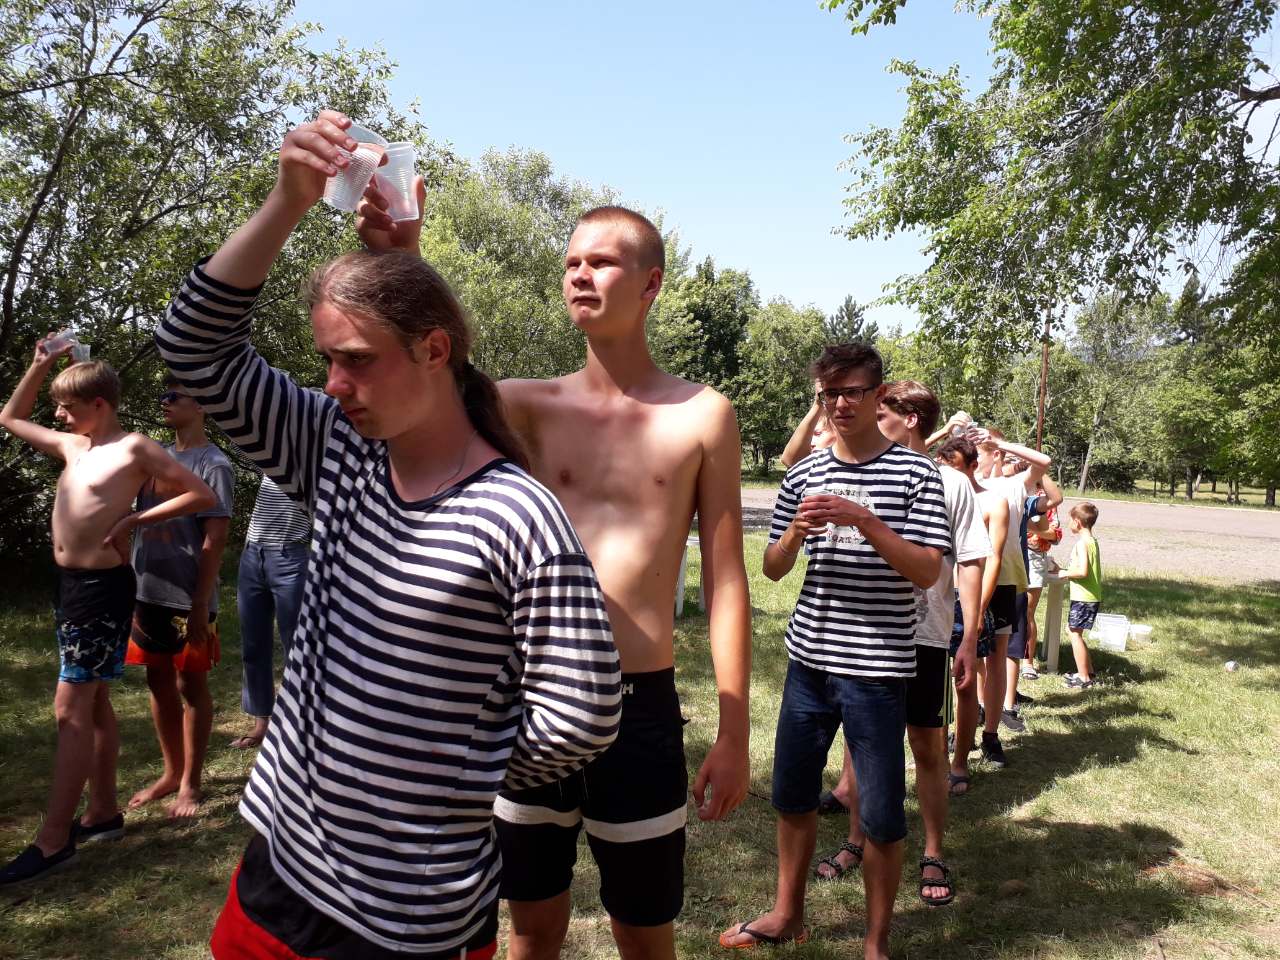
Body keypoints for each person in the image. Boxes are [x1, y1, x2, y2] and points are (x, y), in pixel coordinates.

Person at [160, 111, 622, 960]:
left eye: (357, 360)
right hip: (276, 870)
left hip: (407, 916)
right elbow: (194, 348)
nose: (334, 385)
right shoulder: (335, 447)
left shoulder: (517, 516)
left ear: (434, 351)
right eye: (327, 361)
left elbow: (582, 716)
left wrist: (446, 771)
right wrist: (287, 202)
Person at [359, 166, 752, 960]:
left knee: (643, 932)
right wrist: (404, 257)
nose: (580, 274)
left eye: (602, 262)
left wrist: (735, 727)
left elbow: (725, 579)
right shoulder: (522, 404)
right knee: (530, 925)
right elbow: (427, 371)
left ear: (651, 283)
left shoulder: (703, 415)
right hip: (527, 696)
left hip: (638, 704)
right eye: (572, 262)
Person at [720, 345, 948, 958]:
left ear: (879, 396)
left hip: (878, 668)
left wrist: (864, 519)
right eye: (829, 394)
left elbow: (927, 570)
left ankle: (875, 942)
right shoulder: (803, 474)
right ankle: (786, 914)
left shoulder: (916, 474)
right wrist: (795, 532)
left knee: (881, 815)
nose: (840, 404)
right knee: (793, 796)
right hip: (810, 663)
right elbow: (772, 568)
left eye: (852, 392)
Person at [0, 350, 215, 884]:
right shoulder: (74, 446)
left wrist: (135, 520)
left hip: (101, 592)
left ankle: (54, 841)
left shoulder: (134, 448)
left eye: (67, 406)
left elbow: (200, 494)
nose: (58, 416)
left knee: (70, 710)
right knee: (92, 703)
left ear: (99, 404)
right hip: (70, 588)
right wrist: (41, 363)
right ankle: (102, 813)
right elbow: (10, 417)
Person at [813, 381, 987, 910]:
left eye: (882, 411)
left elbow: (972, 561)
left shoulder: (950, 482)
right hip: (865, 633)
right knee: (861, 743)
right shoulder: (862, 471)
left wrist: (969, 636)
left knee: (927, 747)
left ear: (910, 419)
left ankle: (933, 851)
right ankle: (856, 840)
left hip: (924, 637)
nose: (869, 417)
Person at [126, 375, 234, 819]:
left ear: (201, 405)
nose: (164, 402)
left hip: (188, 596)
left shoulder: (214, 464)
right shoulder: (156, 458)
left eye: (174, 396)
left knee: (191, 685)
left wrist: (199, 603)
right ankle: (170, 773)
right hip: (146, 589)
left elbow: (215, 539)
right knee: (157, 679)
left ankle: (191, 783)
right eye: (162, 395)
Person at [935, 437, 1012, 773]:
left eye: (953, 467)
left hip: (972, 598)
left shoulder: (994, 501)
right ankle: (939, 752)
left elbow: (992, 557)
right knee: (936, 682)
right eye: (942, 466)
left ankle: (967, 757)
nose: (946, 474)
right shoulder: (934, 495)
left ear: (972, 466)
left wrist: (978, 609)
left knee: (968, 679)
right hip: (935, 598)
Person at [230, 473, 310, 750]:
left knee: (297, 646)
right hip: (252, 554)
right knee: (253, 645)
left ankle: (299, 724)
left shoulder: (316, 462)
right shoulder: (275, 457)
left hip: (290, 556)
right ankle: (261, 723)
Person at [1017, 481, 1063, 682]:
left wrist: (1030, 528)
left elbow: (1054, 535)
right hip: (1006, 555)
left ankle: (1027, 662)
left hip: (1033, 557)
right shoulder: (1008, 486)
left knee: (1026, 612)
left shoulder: (1043, 498)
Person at [1059, 501, 1102, 688]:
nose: (1068, 523)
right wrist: (1062, 569)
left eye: (1070, 519)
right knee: (1074, 631)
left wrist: (1064, 574)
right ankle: (1089, 672)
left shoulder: (1082, 544)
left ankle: (1083, 678)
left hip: (1084, 597)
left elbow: (1083, 571)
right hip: (1089, 596)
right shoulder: (1092, 541)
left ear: (1077, 522)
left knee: (1073, 633)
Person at [780, 384, 837, 468]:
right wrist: (819, 402)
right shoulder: (812, 467)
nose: (811, 443)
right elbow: (788, 460)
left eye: (818, 434)